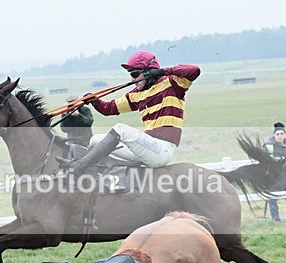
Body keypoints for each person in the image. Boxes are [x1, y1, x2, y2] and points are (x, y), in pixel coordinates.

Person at [57, 50, 200, 174]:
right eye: (130, 74)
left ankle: (80, 166)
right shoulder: (136, 94)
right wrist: (95, 101)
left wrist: (163, 71)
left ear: (149, 72)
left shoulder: (172, 84)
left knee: (121, 129)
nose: (132, 79)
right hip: (144, 151)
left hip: (162, 150)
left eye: (135, 74)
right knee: (95, 140)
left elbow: (194, 70)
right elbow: (110, 109)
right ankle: (96, 170)